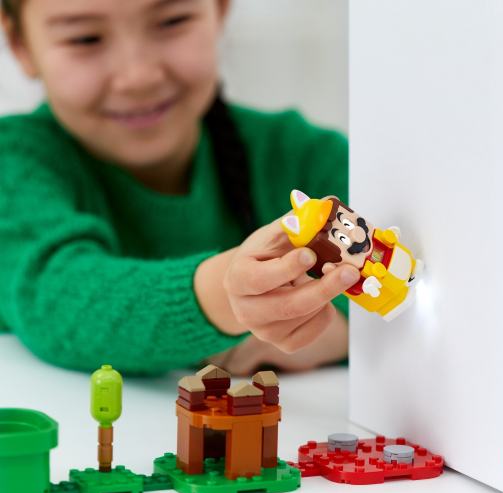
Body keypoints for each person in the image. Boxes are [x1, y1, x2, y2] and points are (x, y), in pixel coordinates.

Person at [0, 0, 359, 375]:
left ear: (221, 10)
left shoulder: (305, 157)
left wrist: (338, 328)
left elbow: (394, 266)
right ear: (19, 44)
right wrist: (227, 296)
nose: (138, 77)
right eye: (85, 38)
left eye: (172, 21)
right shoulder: (12, 169)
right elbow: (57, 294)